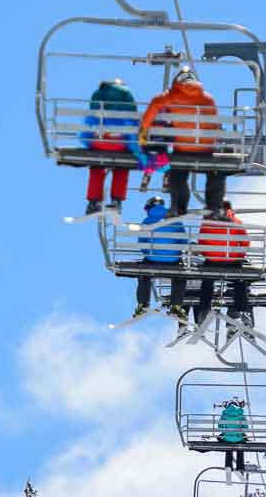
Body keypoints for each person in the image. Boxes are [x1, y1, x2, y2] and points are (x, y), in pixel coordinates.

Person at [137, 66, 226, 222]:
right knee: (216, 172)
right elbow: (214, 125)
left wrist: (144, 129)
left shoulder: (172, 96)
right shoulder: (208, 98)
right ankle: (214, 208)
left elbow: (155, 104)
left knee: (177, 173)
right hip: (206, 149)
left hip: (183, 149)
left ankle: (178, 207)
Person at [80, 77, 139, 214]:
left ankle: (93, 202)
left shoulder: (99, 92)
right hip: (120, 142)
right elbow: (133, 115)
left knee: (97, 168)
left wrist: (89, 139)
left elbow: (91, 113)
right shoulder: (126, 93)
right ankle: (116, 201)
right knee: (121, 167)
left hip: (99, 141)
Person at [196, 201, 253, 327]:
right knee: (239, 282)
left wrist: (208, 255)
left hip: (213, 262)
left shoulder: (207, 223)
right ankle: (242, 309)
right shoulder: (236, 222)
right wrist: (238, 257)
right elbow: (245, 243)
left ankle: (204, 308)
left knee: (207, 281)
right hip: (232, 262)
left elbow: (201, 243)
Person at [133, 195, 184, 318]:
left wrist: (149, 253)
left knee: (143, 273)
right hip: (173, 260)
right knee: (181, 275)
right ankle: (176, 305)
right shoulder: (175, 219)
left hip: (152, 259)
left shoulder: (147, 221)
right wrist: (177, 253)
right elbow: (183, 240)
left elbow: (141, 243)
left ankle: (143, 303)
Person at [217, 397, 249, 470]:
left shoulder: (224, 414)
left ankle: (228, 466)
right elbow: (245, 428)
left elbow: (220, 427)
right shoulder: (241, 414)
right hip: (239, 438)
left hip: (227, 438)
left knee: (228, 447)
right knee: (240, 448)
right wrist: (240, 433)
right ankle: (240, 467)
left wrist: (226, 433)